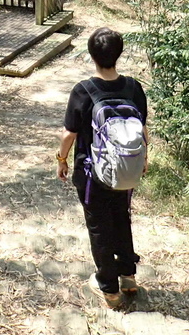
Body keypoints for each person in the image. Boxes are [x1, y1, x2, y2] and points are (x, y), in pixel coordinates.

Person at [56, 27, 148, 310]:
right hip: (125, 169)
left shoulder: (83, 90)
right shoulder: (133, 87)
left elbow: (69, 134)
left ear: (91, 54)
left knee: (99, 227)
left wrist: (61, 160)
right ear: (119, 54)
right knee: (121, 218)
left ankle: (109, 289)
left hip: (91, 174)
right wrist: (143, 160)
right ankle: (128, 276)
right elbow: (142, 129)